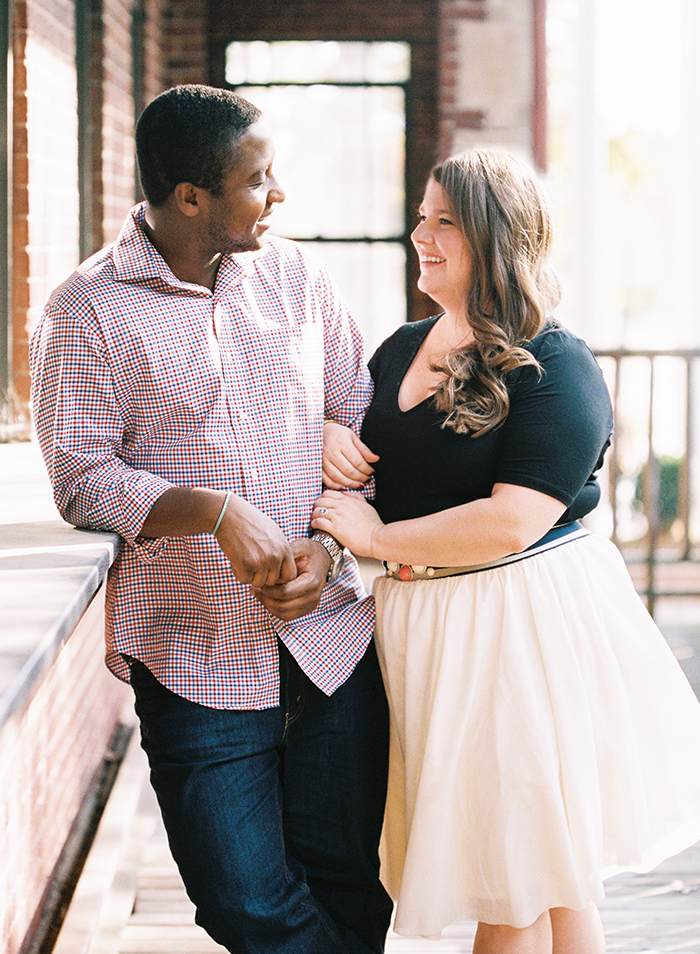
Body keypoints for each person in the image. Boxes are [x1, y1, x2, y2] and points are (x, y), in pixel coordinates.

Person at [29, 84, 392, 954]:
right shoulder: (85, 312)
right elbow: (80, 477)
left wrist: (324, 541)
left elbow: (359, 423)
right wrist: (213, 512)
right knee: (245, 905)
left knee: (351, 880)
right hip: (195, 654)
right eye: (258, 179)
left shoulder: (299, 278)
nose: (278, 196)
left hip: (330, 640)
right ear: (191, 197)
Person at [312, 148, 700, 953]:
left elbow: (513, 520)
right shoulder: (397, 349)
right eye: (422, 216)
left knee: (515, 876)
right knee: (549, 880)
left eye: (446, 221)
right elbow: (365, 446)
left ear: (498, 238)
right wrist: (324, 439)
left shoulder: (558, 365)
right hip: (422, 627)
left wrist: (376, 538)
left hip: (520, 626)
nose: (422, 234)